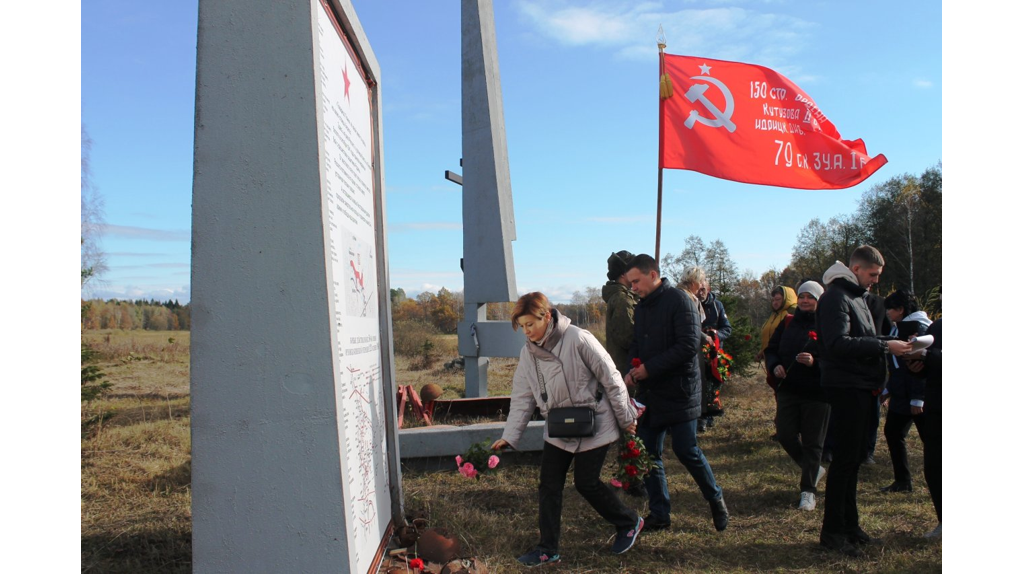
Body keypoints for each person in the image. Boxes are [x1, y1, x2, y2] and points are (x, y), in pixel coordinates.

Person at [491, 292, 642, 566]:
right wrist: (509, 436)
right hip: (559, 427)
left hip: (595, 422)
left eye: (531, 324)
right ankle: (547, 548)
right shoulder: (528, 353)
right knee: (548, 485)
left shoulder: (578, 338)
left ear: (547, 317)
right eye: (522, 326)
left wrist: (626, 417)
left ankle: (629, 521)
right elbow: (523, 397)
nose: (527, 331)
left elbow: (612, 378)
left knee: (586, 483)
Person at [816, 246, 913, 557]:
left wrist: (895, 343)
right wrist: (886, 348)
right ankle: (832, 532)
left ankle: (849, 524)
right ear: (856, 269)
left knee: (854, 459)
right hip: (847, 387)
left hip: (862, 386)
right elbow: (838, 343)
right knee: (844, 461)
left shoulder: (856, 296)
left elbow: (862, 337)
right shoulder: (835, 297)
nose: (875, 281)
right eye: (873, 274)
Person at [622, 255, 728, 533]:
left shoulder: (679, 301)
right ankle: (660, 513)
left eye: (636, 281)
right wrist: (632, 369)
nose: (633, 287)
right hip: (651, 392)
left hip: (680, 391)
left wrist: (648, 369)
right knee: (648, 454)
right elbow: (636, 343)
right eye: (631, 282)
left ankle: (715, 498)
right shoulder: (643, 307)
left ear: (653, 274)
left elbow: (687, 346)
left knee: (686, 450)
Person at [764, 280, 829, 511]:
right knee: (784, 434)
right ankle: (812, 468)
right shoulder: (788, 322)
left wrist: (816, 362)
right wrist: (775, 366)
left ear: (819, 300)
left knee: (813, 443)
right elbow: (771, 349)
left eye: (810, 297)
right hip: (789, 390)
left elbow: (837, 357)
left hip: (817, 393)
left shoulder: (828, 324)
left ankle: (808, 491)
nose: (804, 300)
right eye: (802, 296)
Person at [879, 290, 931, 493]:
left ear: (900, 309)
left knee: (932, 440)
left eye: (890, 309)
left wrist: (919, 398)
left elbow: (921, 365)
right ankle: (903, 481)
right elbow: (898, 367)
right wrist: (889, 389)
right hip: (902, 394)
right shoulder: (899, 328)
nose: (888, 313)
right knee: (892, 432)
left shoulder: (919, 328)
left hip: (917, 398)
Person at [906, 317, 941, 538]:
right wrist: (915, 365)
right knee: (935, 466)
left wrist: (928, 356)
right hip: (938, 405)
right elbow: (926, 368)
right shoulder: (937, 327)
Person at [698, 278, 733, 431]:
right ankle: (701, 418)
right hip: (697, 353)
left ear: (708, 289)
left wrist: (716, 334)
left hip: (714, 355)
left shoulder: (717, 306)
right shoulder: (691, 304)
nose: (700, 293)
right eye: (698, 290)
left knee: (713, 385)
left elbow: (727, 328)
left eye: (703, 290)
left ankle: (710, 415)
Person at [602, 250, 638, 377]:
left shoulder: (623, 297)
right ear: (623, 274)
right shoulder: (622, 300)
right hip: (628, 371)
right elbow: (628, 338)